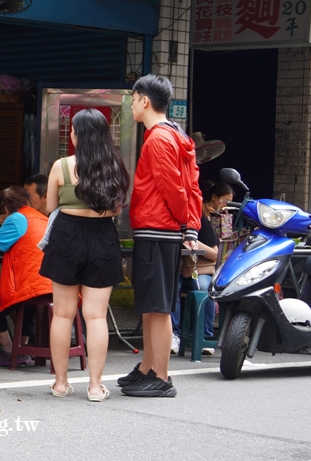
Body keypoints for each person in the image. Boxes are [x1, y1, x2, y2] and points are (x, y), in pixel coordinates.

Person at [118, 74, 201, 398]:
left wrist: (185, 224)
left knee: (159, 306)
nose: (133, 105)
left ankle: (161, 376)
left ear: (145, 101)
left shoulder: (158, 139)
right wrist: (190, 225)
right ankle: (147, 368)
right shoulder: (176, 135)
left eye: (135, 98)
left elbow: (173, 188)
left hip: (158, 228)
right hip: (164, 229)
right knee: (154, 305)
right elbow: (191, 186)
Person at [39, 108, 131, 401]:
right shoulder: (114, 167)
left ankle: (61, 383)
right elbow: (116, 209)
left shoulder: (61, 166)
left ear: (77, 135)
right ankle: (94, 386)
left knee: (63, 314)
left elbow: (49, 206)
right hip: (102, 236)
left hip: (67, 236)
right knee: (96, 316)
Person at [0, 186, 52, 366]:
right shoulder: (43, 218)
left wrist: (5, 223)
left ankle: (9, 350)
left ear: (5, 208)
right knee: (27, 306)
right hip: (52, 282)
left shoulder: (16, 218)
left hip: (31, 283)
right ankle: (23, 348)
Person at [170, 180, 227, 354]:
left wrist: (193, 241)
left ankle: (205, 336)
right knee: (171, 289)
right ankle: (174, 335)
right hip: (178, 268)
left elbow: (215, 253)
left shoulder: (200, 217)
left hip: (197, 269)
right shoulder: (168, 217)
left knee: (205, 287)